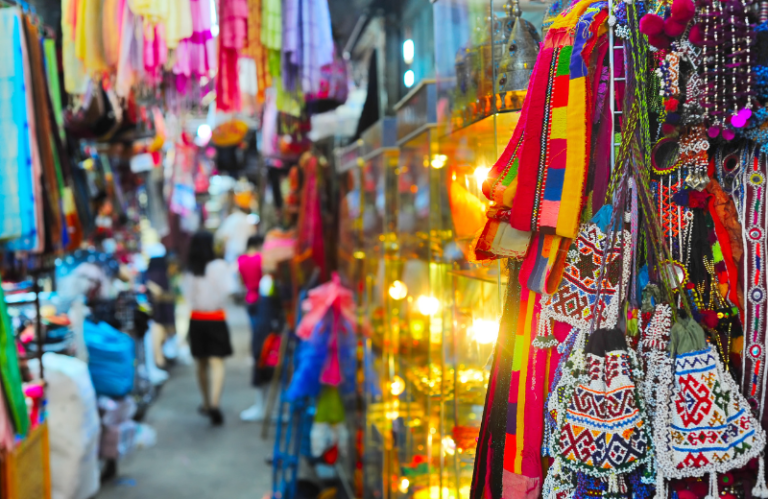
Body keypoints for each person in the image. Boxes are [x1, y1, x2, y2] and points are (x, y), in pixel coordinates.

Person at [181, 231, 235, 426]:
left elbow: (187, 296)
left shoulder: (190, 270)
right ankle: (214, 403)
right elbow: (229, 290)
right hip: (216, 318)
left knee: (201, 364)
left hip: (196, 319)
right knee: (216, 362)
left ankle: (205, 402)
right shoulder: (220, 267)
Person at [237, 234, 276, 421]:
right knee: (263, 346)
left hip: (250, 301)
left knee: (258, 342)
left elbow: (239, 282)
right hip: (262, 305)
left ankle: (263, 405)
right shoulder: (262, 260)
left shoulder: (242, 260)